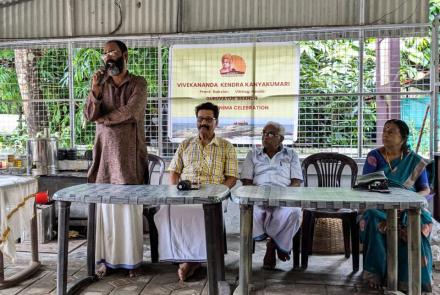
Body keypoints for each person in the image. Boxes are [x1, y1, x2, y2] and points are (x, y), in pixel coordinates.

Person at [84, 40, 148, 278]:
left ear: (124, 55)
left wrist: (105, 120)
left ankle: (132, 263)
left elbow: (132, 111)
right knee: (107, 212)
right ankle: (107, 262)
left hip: (129, 158)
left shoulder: (138, 83)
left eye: (113, 52)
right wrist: (96, 92)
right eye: (105, 54)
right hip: (104, 158)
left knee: (129, 213)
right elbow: (90, 115)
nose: (108, 57)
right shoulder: (101, 83)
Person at [154, 102, 238, 281]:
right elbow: (174, 172)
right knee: (166, 210)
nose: (204, 123)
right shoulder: (185, 144)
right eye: (200, 119)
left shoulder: (227, 147)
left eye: (208, 119)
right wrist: (176, 192)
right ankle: (183, 256)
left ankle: (192, 260)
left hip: (212, 195)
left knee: (202, 212)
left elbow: (232, 178)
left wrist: (219, 192)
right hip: (185, 193)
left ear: (216, 121)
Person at [359, 119, 432, 292]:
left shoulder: (414, 160)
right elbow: (366, 185)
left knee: (417, 225)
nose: (385, 134)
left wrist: (407, 200)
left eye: (391, 132)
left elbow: (425, 190)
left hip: (408, 207)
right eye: (384, 131)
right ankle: (376, 274)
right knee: (372, 217)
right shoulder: (374, 157)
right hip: (379, 206)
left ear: (403, 137)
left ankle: (409, 280)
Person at [241, 121, 303, 269]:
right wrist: (258, 195)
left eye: (270, 134)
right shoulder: (253, 154)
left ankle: (272, 245)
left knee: (295, 212)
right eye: (263, 133)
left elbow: (296, 182)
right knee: (248, 210)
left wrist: (282, 195)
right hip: (258, 196)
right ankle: (278, 243)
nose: (265, 136)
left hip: (283, 196)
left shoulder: (291, 154)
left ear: (280, 139)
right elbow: (246, 181)